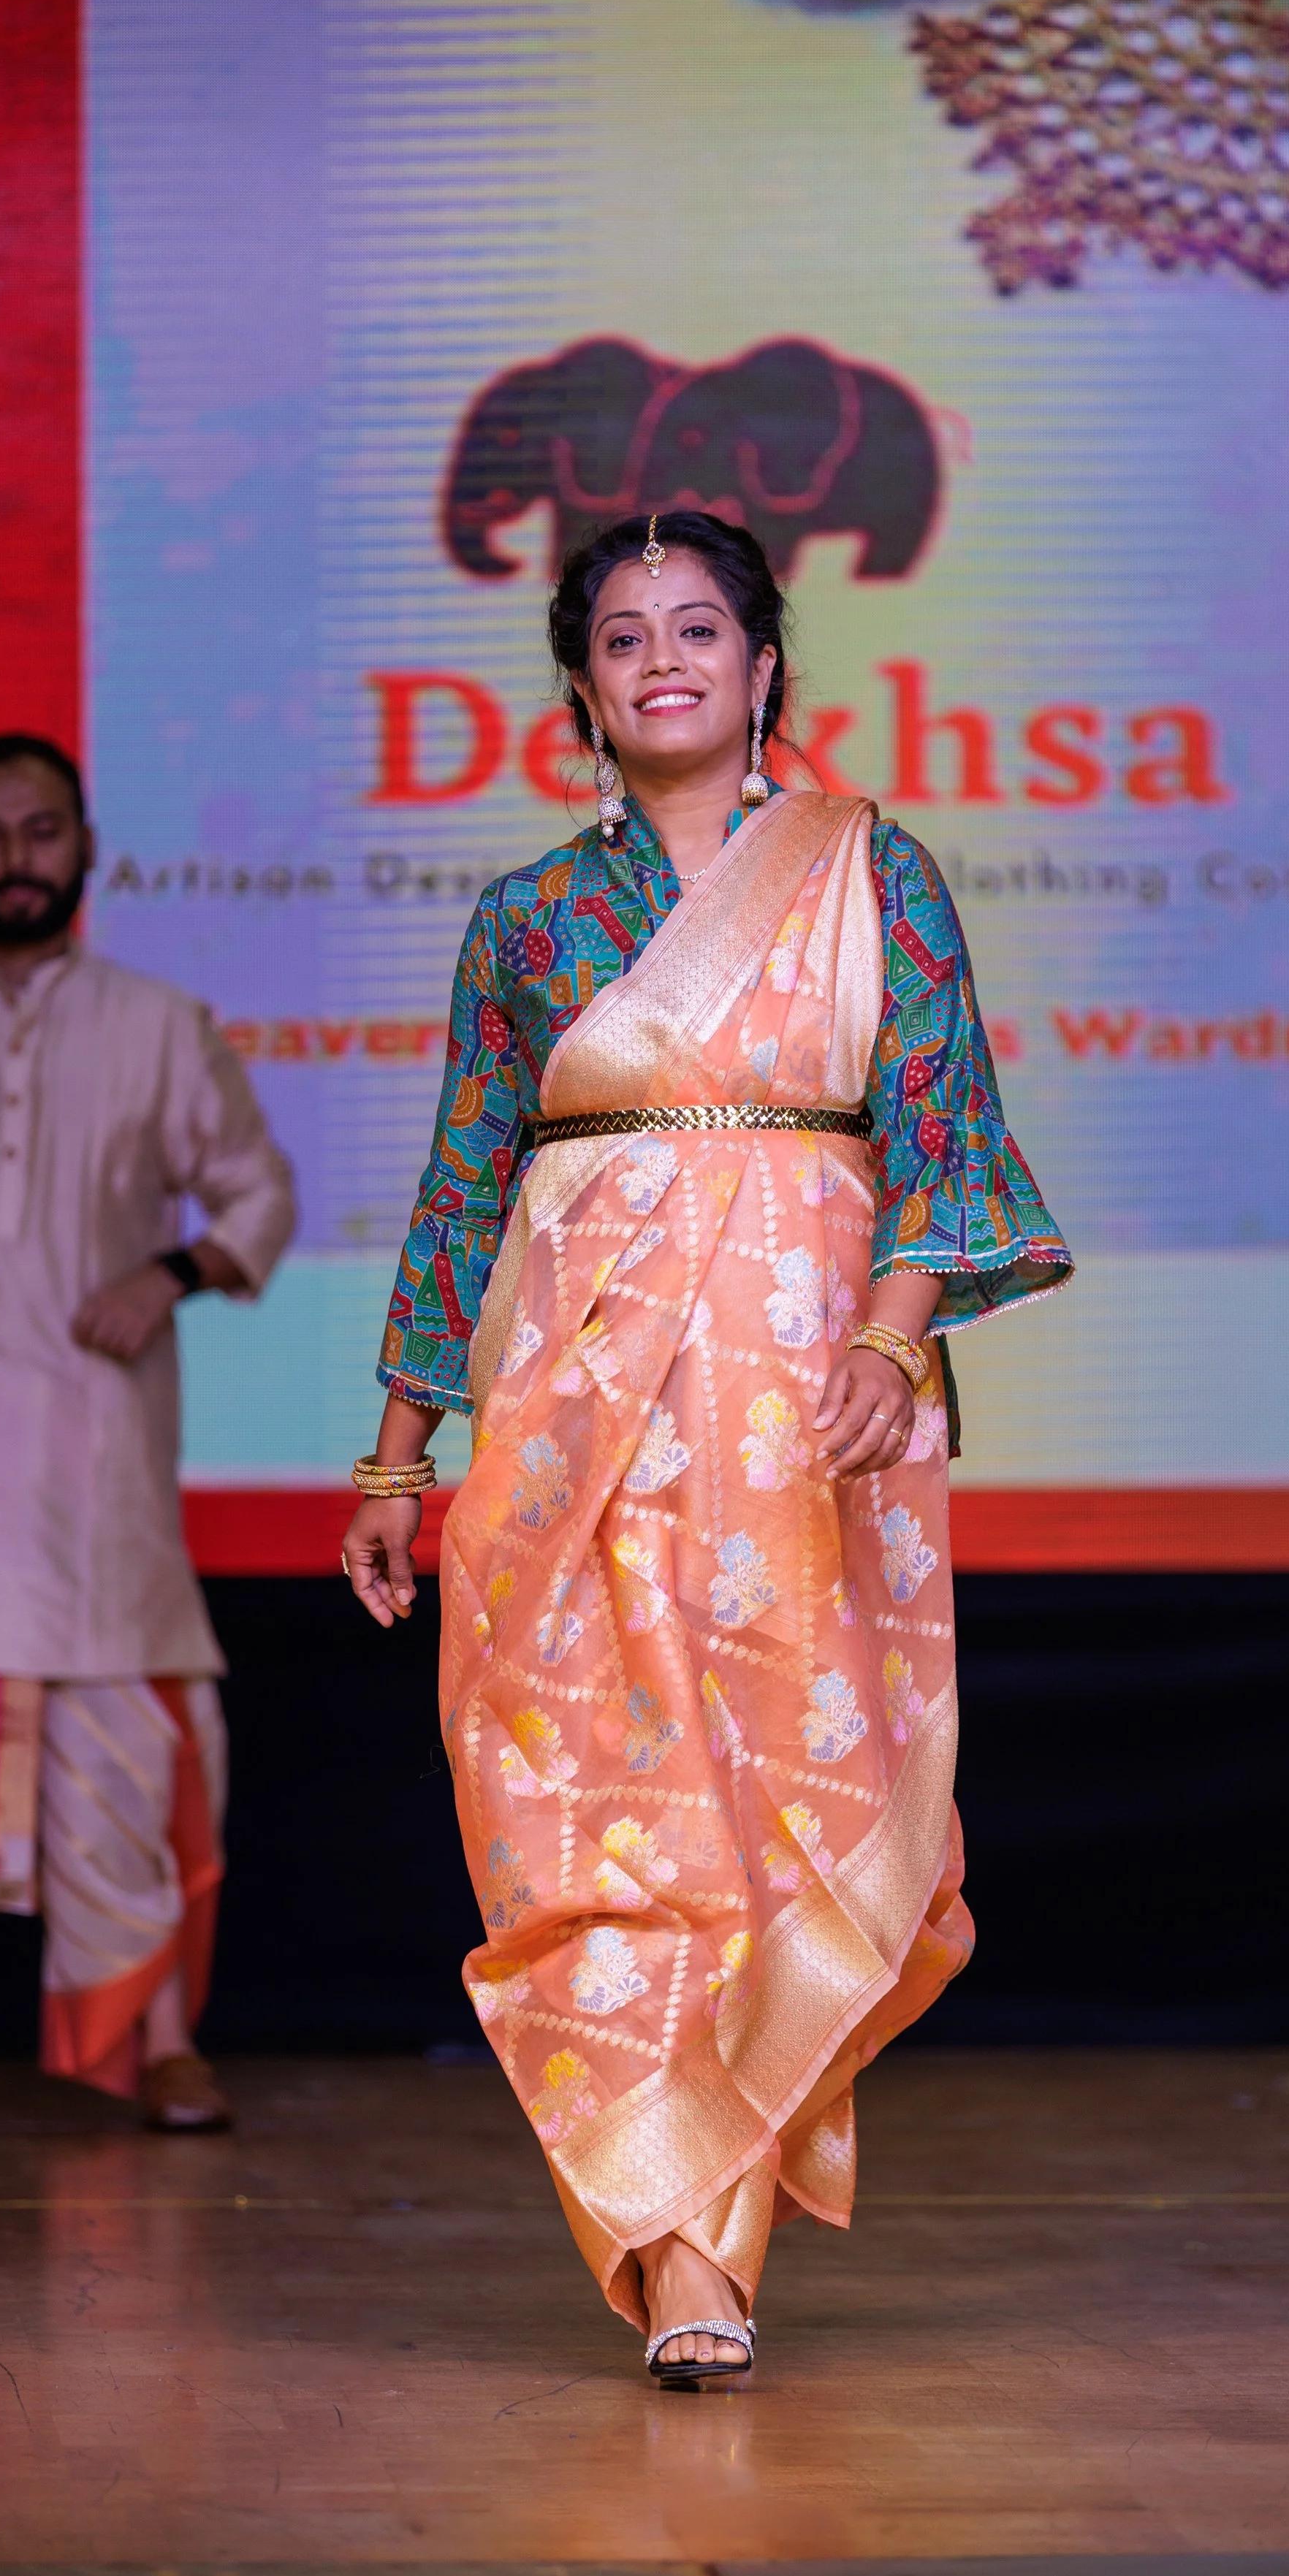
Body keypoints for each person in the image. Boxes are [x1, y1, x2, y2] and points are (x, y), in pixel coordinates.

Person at [343, 511, 1071, 2384]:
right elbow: (457, 1190)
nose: (659, 655)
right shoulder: (524, 920)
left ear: (763, 668)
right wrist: (397, 1458)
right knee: (586, 1804)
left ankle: (701, 2247)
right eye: (618, 632)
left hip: (796, 1402)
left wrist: (893, 1354)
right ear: (578, 684)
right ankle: (670, 2234)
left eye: (696, 627)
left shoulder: (871, 872)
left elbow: (943, 1136)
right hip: (574, 1406)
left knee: (760, 1811)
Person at [0, 733, 295, 2135]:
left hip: (94, 1454)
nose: (15, 859)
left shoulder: (159, 1023)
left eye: (41, 832)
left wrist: (168, 1273)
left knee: (127, 1754)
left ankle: (157, 2035)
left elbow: (259, 1197)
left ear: (87, 845)